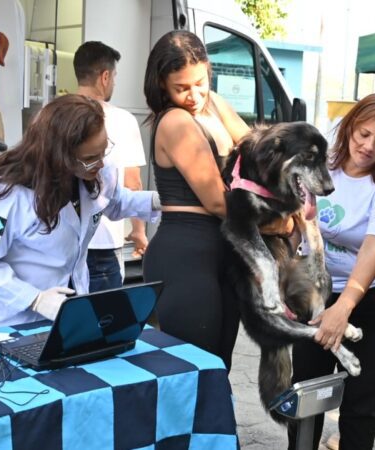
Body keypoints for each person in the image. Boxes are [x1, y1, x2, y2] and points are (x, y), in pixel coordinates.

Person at [0, 95, 160, 331]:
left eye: (103, 151)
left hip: (62, 311)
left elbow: (115, 202)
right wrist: (35, 299)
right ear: (59, 155)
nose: (100, 164)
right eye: (89, 158)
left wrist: (159, 201)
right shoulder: (11, 193)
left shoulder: (97, 174)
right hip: (6, 317)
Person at [288, 93, 375, 450]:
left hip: (373, 299)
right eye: (363, 134)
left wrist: (343, 309)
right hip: (315, 293)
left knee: (361, 402)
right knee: (305, 393)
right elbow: (292, 224)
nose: (369, 146)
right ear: (350, 126)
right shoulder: (319, 165)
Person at [141, 30, 249, 369]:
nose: (193, 95)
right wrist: (277, 220)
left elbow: (254, 146)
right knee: (194, 370)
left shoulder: (213, 103)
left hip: (221, 250)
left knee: (219, 368)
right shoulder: (175, 120)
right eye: (181, 87)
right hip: (186, 253)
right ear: (162, 84)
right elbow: (217, 201)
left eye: (200, 82)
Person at [74, 41, 148, 292]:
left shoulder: (52, 114)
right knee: (104, 323)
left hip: (62, 244)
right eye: (114, 76)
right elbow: (133, 183)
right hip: (103, 244)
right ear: (104, 77)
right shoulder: (122, 120)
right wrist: (139, 231)